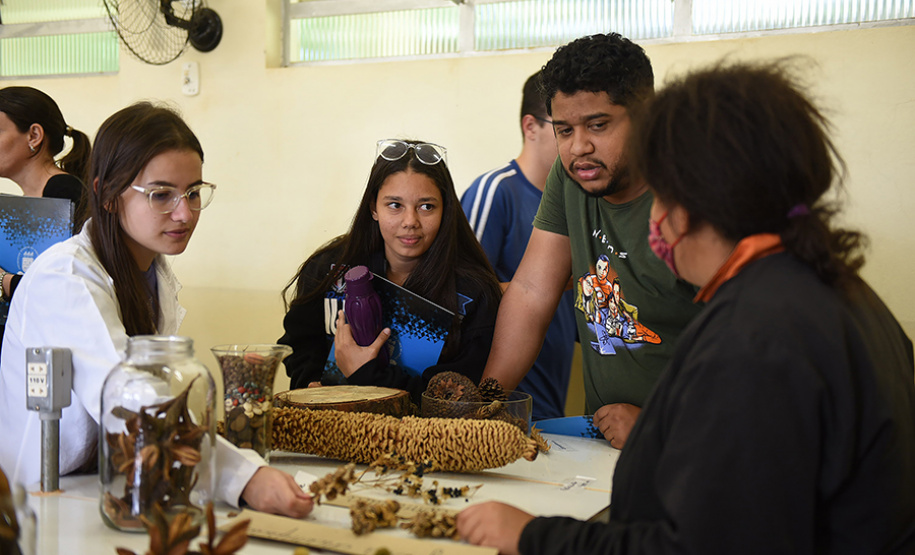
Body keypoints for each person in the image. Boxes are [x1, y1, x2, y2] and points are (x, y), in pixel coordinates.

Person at [457, 61, 915, 555]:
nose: (652, 218)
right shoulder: (841, 294)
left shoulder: (754, 339)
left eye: (660, 191)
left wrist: (533, 537)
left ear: (700, 196)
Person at [0, 102, 312, 518]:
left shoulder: (152, 274)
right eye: (161, 194)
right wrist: (244, 477)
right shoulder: (66, 277)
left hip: (104, 483)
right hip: (39, 500)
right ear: (108, 195)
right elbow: (127, 395)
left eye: (193, 192)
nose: (185, 213)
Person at [480, 33, 701, 447]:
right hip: (603, 442)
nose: (579, 147)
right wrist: (484, 403)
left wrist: (661, 424)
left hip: (691, 446)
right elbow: (531, 292)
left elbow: (749, 346)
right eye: (564, 130)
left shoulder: (693, 191)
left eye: (598, 125)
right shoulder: (571, 177)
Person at [279, 139, 502, 405]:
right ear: (373, 207)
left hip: (423, 430)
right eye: (395, 205)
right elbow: (299, 343)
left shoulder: (473, 292)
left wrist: (367, 374)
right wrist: (310, 382)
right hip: (329, 422)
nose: (410, 222)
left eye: (427, 206)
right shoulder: (328, 267)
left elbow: (459, 396)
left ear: (446, 210)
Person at [461, 71, 577, 421]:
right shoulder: (495, 191)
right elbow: (459, 300)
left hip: (551, 402)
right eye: (563, 129)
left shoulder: (576, 201)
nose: (578, 143)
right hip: (501, 403)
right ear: (531, 127)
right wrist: (545, 283)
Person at [0, 86, 91, 341]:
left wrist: (3, 281)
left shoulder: (62, 191)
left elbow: (57, 289)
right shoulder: (35, 199)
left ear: (34, 135)